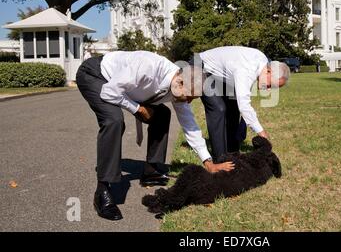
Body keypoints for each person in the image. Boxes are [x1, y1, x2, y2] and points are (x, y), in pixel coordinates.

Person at [76, 51, 234, 221]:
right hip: (96, 75)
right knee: (113, 120)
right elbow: (109, 92)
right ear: (180, 82)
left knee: (162, 114)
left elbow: (189, 124)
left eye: (192, 99)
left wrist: (208, 162)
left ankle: (152, 171)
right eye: (189, 97)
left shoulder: (180, 85)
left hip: (124, 87)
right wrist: (138, 109)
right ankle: (102, 191)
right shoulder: (147, 67)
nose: (188, 102)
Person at [193, 46, 290, 160]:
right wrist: (261, 132)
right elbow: (244, 106)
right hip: (199, 67)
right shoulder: (248, 69)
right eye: (270, 85)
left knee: (233, 109)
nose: (268, 89)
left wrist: (244, 123)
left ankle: (233, 153)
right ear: (269, 71)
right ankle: (220, 159)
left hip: (221, 76)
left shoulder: (262, 62)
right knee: (218, 109)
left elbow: (242, 102)